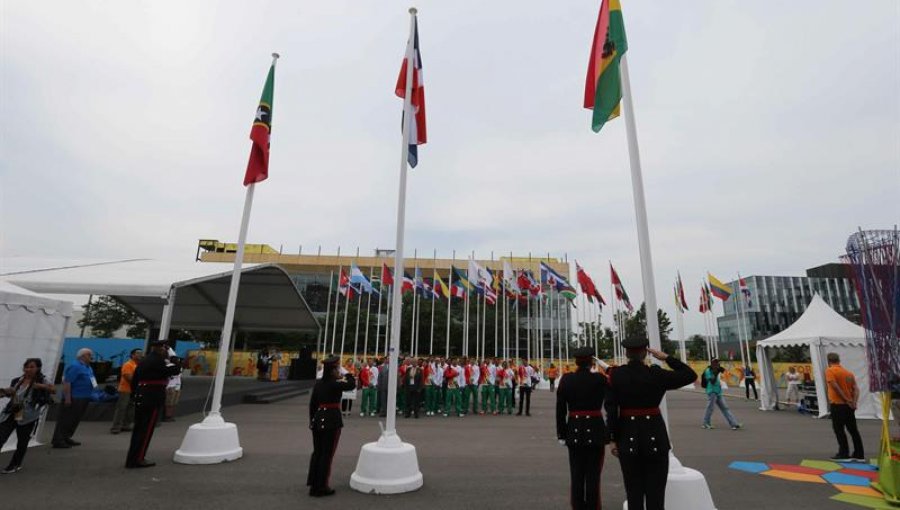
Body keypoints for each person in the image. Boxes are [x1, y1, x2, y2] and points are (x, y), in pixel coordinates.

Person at [606, 336, 697, 510]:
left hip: (627, 437)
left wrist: (612, 439)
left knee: (634, 494)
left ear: (626, 353)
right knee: (656, 496)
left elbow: (611, 410)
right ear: (644, 352)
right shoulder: (656, 374)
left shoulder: (616, 375)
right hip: (655, 437)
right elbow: (690, 375)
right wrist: (666, 358)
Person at [556, 347, 608, 510]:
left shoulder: (566, 379)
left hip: (574, 429)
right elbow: (614, 379)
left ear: (576, 362)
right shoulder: (600, 379)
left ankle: (578, 506)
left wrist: (562, 433)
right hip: (595, 429)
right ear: (591, 362)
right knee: (594, 476)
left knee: (577, 475)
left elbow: (560, 409)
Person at [125, 340, 181, 468]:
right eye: (165, 349)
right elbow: (176, 369)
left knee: (139, 429)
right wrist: (173, 357)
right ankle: (138, 459)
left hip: (142, 395)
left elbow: (135, 379)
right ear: (161, 349)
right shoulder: (157, 361)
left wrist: (134, 395)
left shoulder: (145, 360)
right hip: (152, 397)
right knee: (146, 429)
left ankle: (133, 458)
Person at [307, 356, 356, 497]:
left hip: (317, 420)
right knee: (326, 455)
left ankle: (313, 484)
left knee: (317, 453)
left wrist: (312, 421)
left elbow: (312, 405)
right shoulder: (334, 383)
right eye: (336, 368)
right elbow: (351, 384)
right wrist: (347, 373)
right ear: (333, 370)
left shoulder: (319, 384)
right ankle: (322, 486)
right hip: (331, 421)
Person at [0, 358, 54, 474]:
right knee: (1, 435)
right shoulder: (18, 380)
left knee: (22, 440)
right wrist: (4, 392)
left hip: (29, 414)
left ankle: (15, 464)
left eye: (31, 367)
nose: (28, 369)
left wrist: (40, 386)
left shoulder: (43, 379)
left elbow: (53, 389)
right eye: (26, 367)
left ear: (38, 368)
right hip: (15, 408)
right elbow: (14, 394)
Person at [52, 348, 96, 448]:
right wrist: (68, 398)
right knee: (66, 419)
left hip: (85, 397)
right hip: (74, 397)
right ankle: (58, 440)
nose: (91, 357)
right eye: (89, 355)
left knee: (75, 419)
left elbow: (93, 379)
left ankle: (66, 437)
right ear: (82, 356)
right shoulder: (75, 366)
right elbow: (67, 383)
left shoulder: (88, 367)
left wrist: (95, 388)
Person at [825, 352, 864, 462]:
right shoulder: (848, 373)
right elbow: (856, 389)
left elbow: (835, 386)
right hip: (849, 406)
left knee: (839, 429)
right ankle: (859, 454)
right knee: (853, 430)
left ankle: (844, 453)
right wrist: (853, 402)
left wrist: (846, 399)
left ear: (829, 361)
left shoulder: (830, 370)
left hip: (838, 404)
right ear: (839, 360)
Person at [701, 358, 742, 430]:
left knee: (725, 408)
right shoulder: (708, 371)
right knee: (710, 408)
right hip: (712, 391)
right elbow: (712, 381)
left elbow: (725, 372)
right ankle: (705, 423)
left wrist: (719, 370)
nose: (717, 364)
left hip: (718, 391)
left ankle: (734, 423)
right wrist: (716, 372)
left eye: (718, 363)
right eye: (715, 363)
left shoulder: (716, 369)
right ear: (712, 363)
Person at [111, 348, 142, 434]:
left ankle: (126, 425)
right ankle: (116, 427)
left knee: (131, 408)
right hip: (125, 390)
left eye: (141, 353)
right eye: (138, 353)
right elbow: (128, 377)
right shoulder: (128, 364)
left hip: (134, 390)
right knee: (121, 408)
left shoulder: (138, 365)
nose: (140, 355)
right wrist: (139, 381)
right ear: (132, 355)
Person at [163, 352, 182, 422]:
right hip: (171, 386)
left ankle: (170, 415)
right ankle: (167, 416)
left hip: (177, 386)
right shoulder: (170, 366)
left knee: (173, 402)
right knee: (169, 403)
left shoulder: (176, 367)